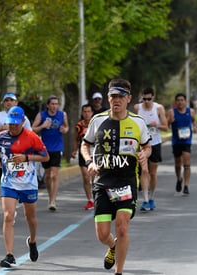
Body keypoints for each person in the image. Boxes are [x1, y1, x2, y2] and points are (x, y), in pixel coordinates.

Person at [81, 79, 152, 275]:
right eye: (113, 96)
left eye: (121, 96)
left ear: (128, 98)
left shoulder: (138, 123)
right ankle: (112, 246)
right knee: (103, 234)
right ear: (108, 98)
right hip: (103, 182)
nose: (116, 100)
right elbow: (85, 144)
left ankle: (118, 272)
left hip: (126, 182)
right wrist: (90, 162)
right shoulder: (98, 120)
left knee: (122, 227)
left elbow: (147, 146)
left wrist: (144, 154)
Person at [0, 106, 49, 268]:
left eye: (16, 124)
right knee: (8, 216)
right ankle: (9, 255)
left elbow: (45, 157)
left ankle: (32, 241)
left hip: (28, 184)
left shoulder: (32, 137)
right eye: (10, 123)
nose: (13, 127)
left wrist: (26, 157)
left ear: (23, 122)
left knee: (30, 217)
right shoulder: (1, 136)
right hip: (8, 183)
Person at [32, 95, 69, 211]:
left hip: (57, 147)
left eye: (56, 104)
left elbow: (66, 126)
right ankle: (50, 196)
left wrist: (64, 130)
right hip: (45, 148)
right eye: (52, 104)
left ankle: (53, 200)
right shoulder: (42, 115)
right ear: (48, 105)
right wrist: (42, 126)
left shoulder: (62, 114)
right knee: (47, 176)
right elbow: (32, 129)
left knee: (54, 175)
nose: (54, 106)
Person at [133, 87, 168, 211]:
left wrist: (156, 125)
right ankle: (146, 200)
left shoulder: (158, 108)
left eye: (149, 98)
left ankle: (152, 197)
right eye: (144, 99)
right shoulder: (137, 108)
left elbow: (166, 126)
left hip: (155, 143)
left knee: (152, 173)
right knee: (144, 171)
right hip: (142, 144)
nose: (146, 101)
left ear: (153, 97)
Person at [0, 93, 32, 181]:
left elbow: (31, 137)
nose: (9, 102)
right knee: (5, 183)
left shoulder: (24, 118)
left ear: (16, 103)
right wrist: (1, 128)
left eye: (11, 100)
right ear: (3, 103)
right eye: (6, 100)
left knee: (18, 182)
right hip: (2, 156)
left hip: (18, 155)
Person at [167, 93, 196, 195]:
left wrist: (195, 127)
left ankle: (186, 185)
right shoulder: (172, 112)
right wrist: (170, 121)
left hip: (187, 140)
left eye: (182, 100)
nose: (180, 102)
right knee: (178, 163)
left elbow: (194, 121)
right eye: (178, 100)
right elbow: (167, 125)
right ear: (176, 102)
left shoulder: (191, 111)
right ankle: (179, 179)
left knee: (187, 163)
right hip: (176, 141)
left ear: (185, 101)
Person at [71, 104, 95, 210]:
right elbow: (76, 139)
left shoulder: (95, 124)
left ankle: (97, 197)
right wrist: (75, 150)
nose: (86, 114)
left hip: (94, 151)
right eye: (84, 111)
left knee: (94, 176)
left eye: (88, 111)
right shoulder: (79, 125)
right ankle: (90, 200)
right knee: (86, 176)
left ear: (92, 113)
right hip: (83, 152)